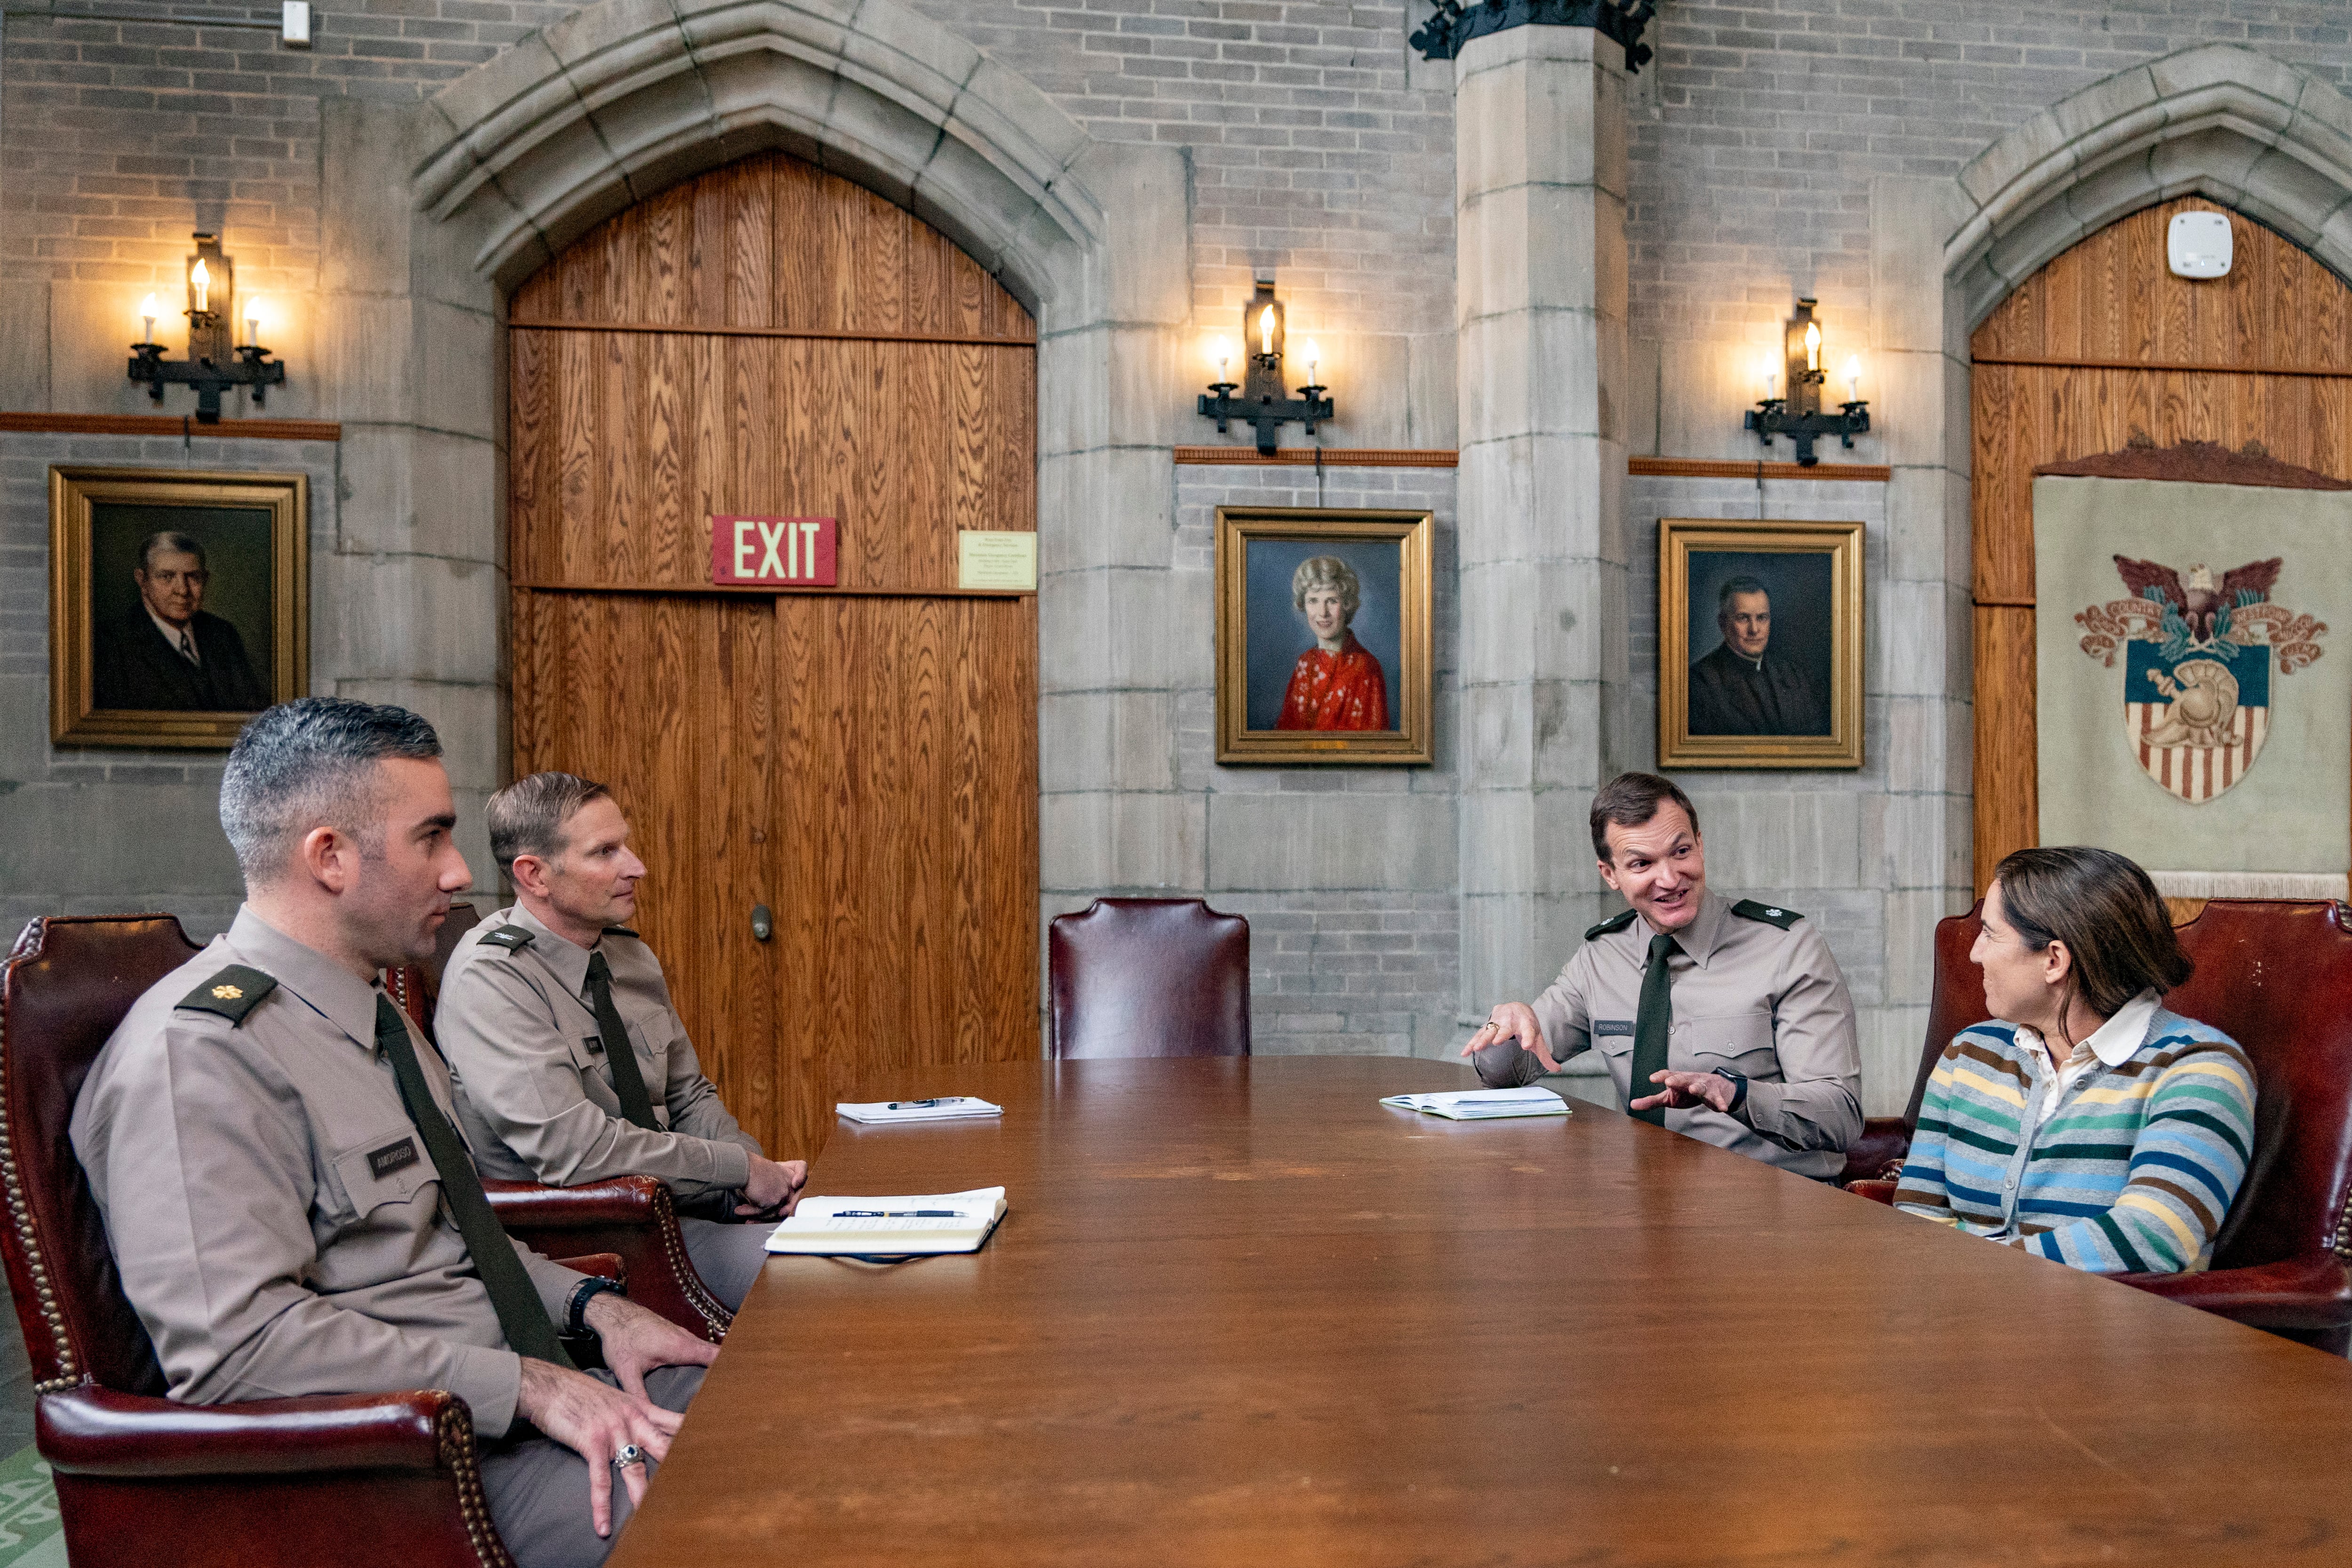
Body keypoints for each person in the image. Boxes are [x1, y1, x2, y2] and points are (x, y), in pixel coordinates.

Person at [72, 699, 717, 1568]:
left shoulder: (374, 1014)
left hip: (516, 1396)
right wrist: (528, 1386)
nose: (459, 873)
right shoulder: (200, 1053)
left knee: (785, 1407)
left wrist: (592, 1307)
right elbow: (239, 1350)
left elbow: (460, 1237)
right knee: (762, 1512)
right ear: (329, 857)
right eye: (432, 837)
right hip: (416, 1471)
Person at [435, 772, 808, 1312]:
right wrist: (740, 1171)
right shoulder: (492, 978)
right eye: (605, 852)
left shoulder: (628, 955)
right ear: (534, 874)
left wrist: (751, 1187)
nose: (636, 867)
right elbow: (576, 1150)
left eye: (625, 845)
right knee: (825, 1283)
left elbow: (688, 1095)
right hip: (594, 1239)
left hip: (683, 1210)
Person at [1460, 771, 1861, 1178]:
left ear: (1701, 845)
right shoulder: (1601, 958)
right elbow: (1508, 1073)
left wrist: (1736, 1093)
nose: (1670, 879)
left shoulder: (1788, 948)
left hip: (1775, 1206)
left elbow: (1841, 1116)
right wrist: (1505, 1029)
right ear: (1610, 874)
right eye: (1642, 863)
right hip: (1643, 1207)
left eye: (1681, 851)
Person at [1891, 846, 2256, 1274]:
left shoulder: (2199, 1069)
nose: (1974, 953)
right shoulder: (1970, 1053)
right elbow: (1913, 1221)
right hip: (1961, 1322)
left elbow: (2152, 1236)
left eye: (1990, 934)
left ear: (2054, 960)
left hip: (2110, 1336)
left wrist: (1977, 1267)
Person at [92, 529, 270, 711]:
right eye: (167, 577)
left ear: (205, 579)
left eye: (193, 577)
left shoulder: (223, 634)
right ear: (143, 581)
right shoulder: (111, 643)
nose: (183, 590)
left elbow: (252, 712)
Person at [1685, 575, 1826, 736]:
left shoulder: (1793, 675)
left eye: (1762, 618)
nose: (1754, 630)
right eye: (1743, 618)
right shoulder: (1699, 683)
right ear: (1723, 623)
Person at [1274, 555, 1389, 730]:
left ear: (1347, 604)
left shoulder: (1366, 668)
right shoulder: (1305, 663)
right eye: (1313, 601)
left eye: (1332, 601)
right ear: (1303, 605)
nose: (1323, 613)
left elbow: (1367, 746)